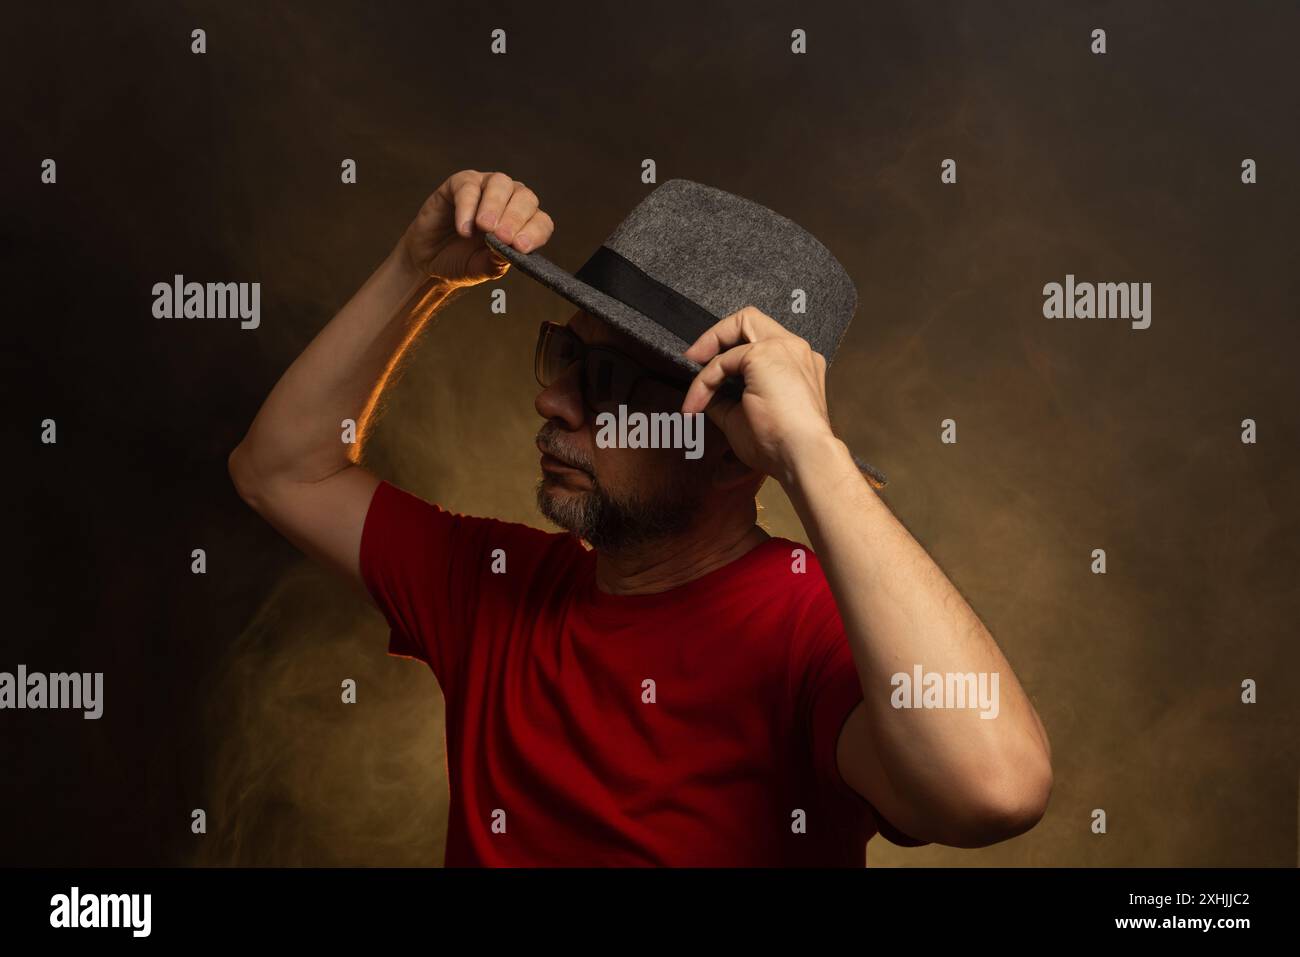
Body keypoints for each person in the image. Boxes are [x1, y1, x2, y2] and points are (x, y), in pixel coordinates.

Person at [228, 169, 1053, 866]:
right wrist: (419, 269)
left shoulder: (812, 632)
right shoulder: (497, 586)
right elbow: (280, 470)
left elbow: (996, 789)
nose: (551, 400)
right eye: (566, 355)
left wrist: (813, 453)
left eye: (611, 382)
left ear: (737, 447)